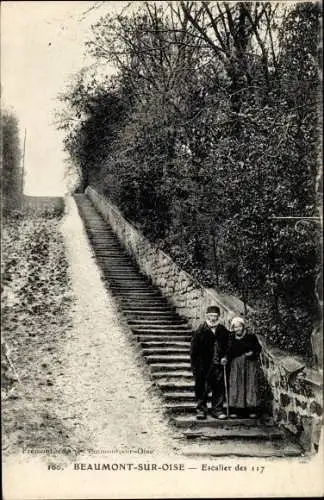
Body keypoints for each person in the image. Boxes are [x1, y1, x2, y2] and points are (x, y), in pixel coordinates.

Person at [190, 305, 231, 420]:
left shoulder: (223, 330)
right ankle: (201, 409)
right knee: (202, 387)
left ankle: (217, 409)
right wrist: (195, 366)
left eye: (215, 316)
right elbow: (193, 351)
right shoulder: (200, 331)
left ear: (218, 317)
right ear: (207, 316)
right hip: (204, 365)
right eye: (211, 316)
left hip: (218, 364)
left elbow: (228, 346)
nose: (213, 318)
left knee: (219, 387)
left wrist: (225, 357)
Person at [227, 317, 262, 419]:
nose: (237, 329)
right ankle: (236, 410)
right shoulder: (231, 338)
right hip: (236, 364)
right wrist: (225, 358)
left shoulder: (251, 337)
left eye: (239, 326)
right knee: (236, 384)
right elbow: (228, 350)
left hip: (250, 364)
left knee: (250, 384)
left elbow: (258, 348)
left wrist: (252, 353)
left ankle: (251, 409)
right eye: (235, 327)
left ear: (243, 326)